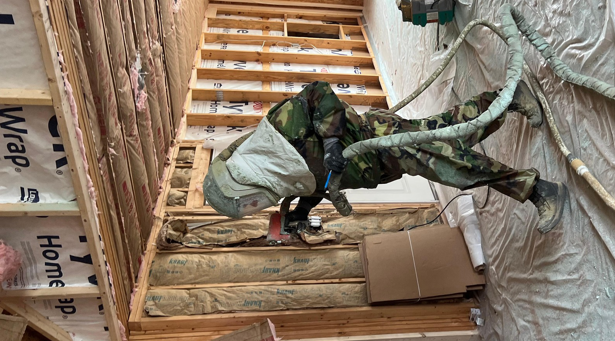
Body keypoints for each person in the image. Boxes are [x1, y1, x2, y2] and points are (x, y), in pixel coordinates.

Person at [204, 80, 568, 233]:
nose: (256, 206)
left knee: (455, 167)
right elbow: (311, 178)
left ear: (241, 179)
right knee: (453, 131)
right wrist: (300, 211)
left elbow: (318, 94)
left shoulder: (278, 133)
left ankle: (537, 191)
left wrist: (332, 142)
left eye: (248, 202)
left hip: (381, 140)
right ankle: (509, 97)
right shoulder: (276, 175)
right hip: (382, 163)